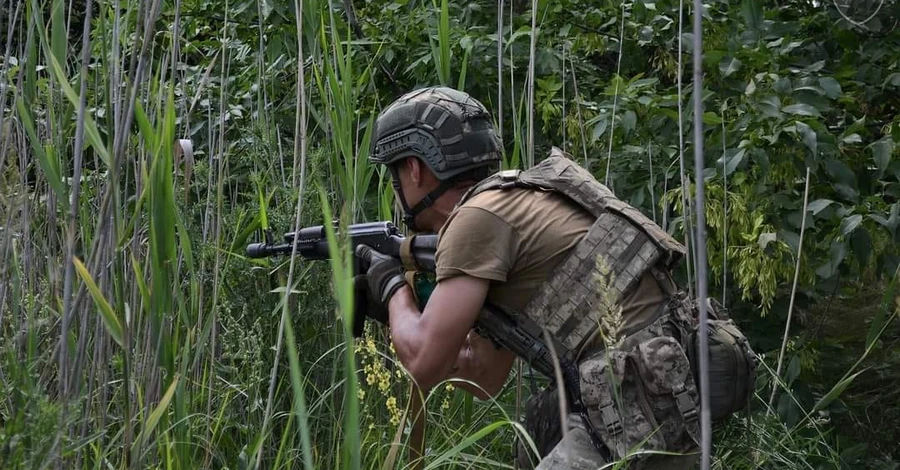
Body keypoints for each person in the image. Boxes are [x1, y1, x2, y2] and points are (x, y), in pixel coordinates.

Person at [356, 86, 738, 469]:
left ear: (415, 169)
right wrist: (424, 306)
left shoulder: (475, 220)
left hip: (640, 400)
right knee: (541, 430)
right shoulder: (516, 201)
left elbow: (423, 362)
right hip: (660, 387)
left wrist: (391, 290)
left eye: (396, 173)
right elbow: (482, 379)